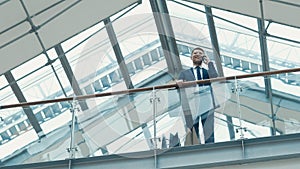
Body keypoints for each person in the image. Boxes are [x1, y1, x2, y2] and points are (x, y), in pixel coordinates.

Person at [178, 47, 218, 144]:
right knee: (193, 130)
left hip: (207, 103)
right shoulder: (184, 73)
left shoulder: (207, 72)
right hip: (192, 104)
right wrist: (178, 82)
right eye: (195, 53)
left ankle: (210, 148)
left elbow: (214, 76)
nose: (197, 54)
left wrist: (209, 63)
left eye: (200, 53)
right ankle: (193, 148)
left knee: (208, 129)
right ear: (191, 57)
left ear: (203, 57)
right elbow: (179, 84)